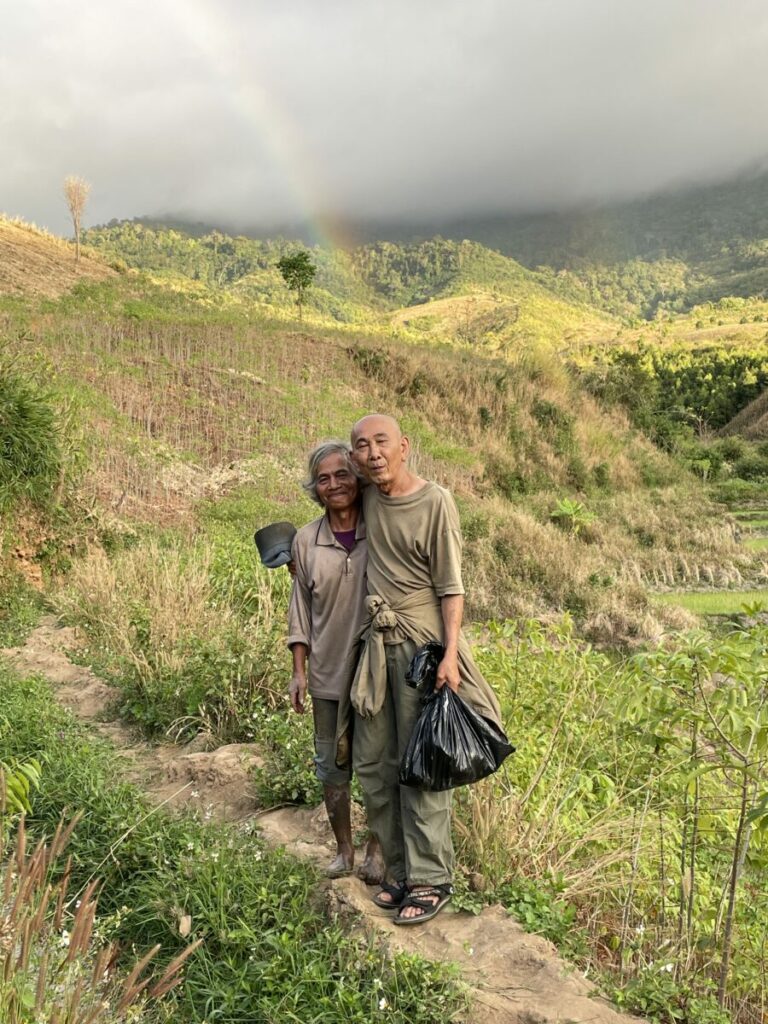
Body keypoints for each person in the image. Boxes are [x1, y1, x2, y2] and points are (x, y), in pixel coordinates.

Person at [350, 413, 502, 925]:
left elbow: (451, 587)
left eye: (381, 443)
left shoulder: (435, 502)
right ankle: (397, 870)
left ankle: (431, 879)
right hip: (375, 646)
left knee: (422, 764)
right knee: (375, 761)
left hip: (421, 647)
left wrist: (451, 655)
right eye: (362, 446)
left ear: (403, 447)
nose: (372, 453)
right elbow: (327, 503)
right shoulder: (367, 496)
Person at [287, 440, 384, 882]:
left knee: (380, 764)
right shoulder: (307, 540)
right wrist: (298, 672)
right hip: (327, 672)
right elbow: (301, 611)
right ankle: (344, 852)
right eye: (323, 479)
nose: (334, 485)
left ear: (358, 479)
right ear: (315, 489)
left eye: (342, 474)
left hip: (376, 670)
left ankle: (376, 854)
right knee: (332, 766)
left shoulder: (380, 528)